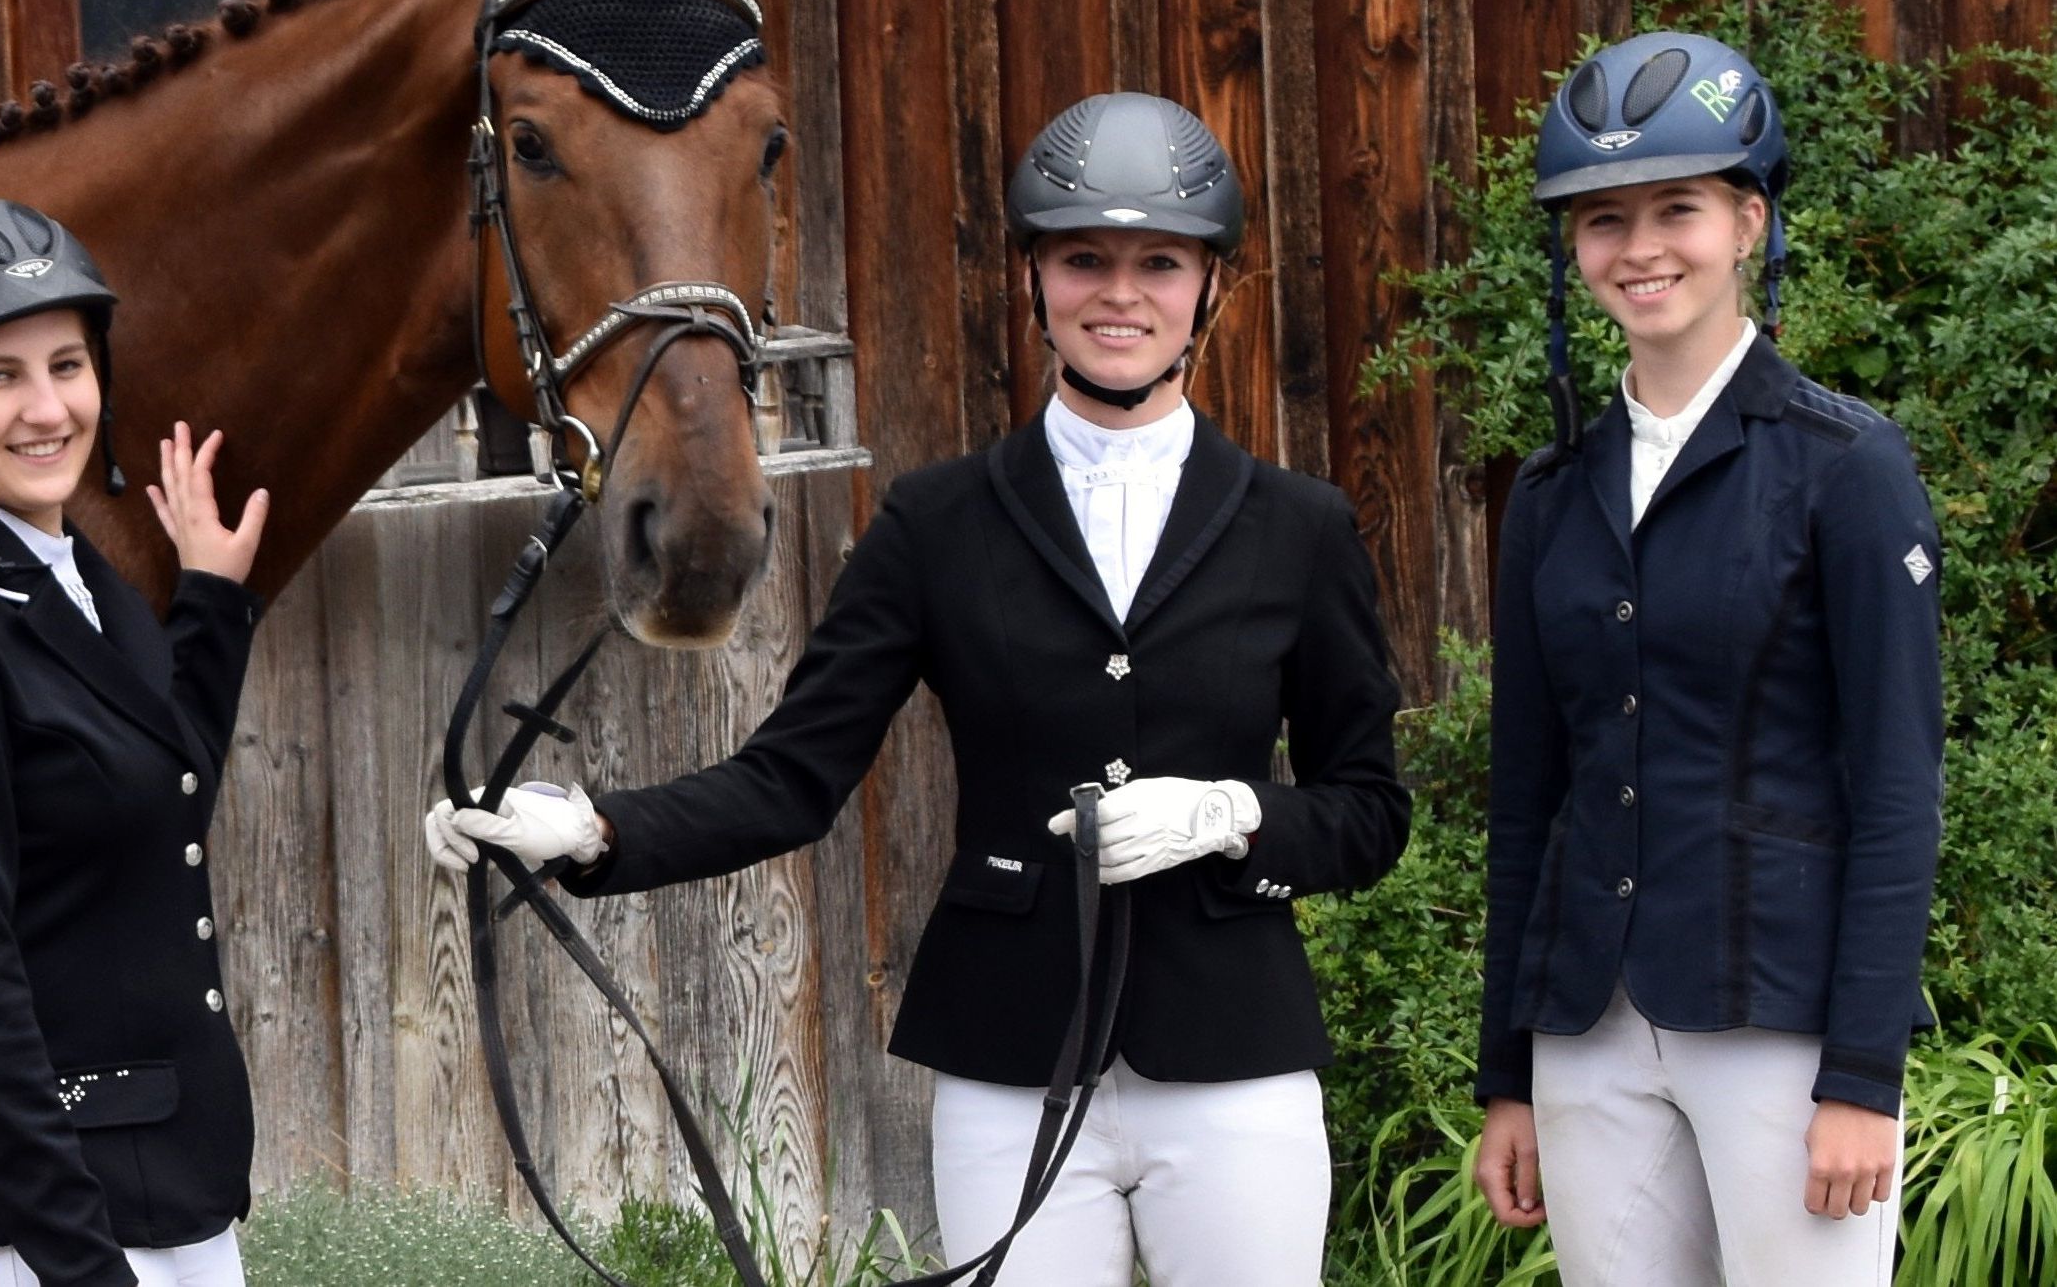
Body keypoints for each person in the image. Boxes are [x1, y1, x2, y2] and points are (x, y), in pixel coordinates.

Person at [426, 91, 1410, 1286]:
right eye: (1084, 259)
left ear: (1210, 289)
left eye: (1159, 263)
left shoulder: (1298, 529)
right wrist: (595, 829)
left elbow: (1369, 812)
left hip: (1234, 1058)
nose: (1119, 293)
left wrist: (1236, 814)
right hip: (1010, 1056)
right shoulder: (937, 523)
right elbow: (793, 778)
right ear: (1037, 280)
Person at [1471, 33, 1945, 1285]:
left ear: (1747, 221)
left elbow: (1898, 792)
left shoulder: (1848, 467)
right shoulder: (1550, 494)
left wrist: (1864, 1075)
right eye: (1604, 220)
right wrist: (1504, 1075)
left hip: (1779, 1026)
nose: (1640, 250)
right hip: (1586, 1030)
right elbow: (1526, 799)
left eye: (1676, 208)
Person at [0, 199, 270, 1287]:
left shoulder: (77, 581)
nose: (48, 407)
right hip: (24, 1234)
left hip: (156, 1188)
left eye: (67, 364)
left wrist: (209, 604)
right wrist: (78, 1261)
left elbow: (156, 802)